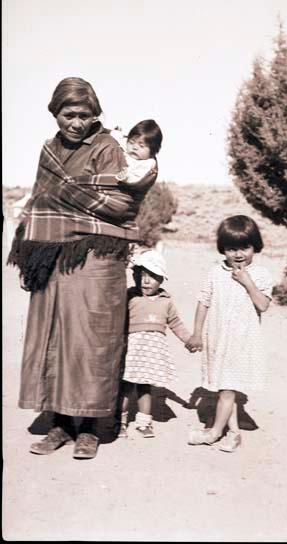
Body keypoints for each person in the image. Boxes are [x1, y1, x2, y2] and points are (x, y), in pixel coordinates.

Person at [7, 77, 157, 459]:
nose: (75, 122)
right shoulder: (49, 151)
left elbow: (122, 202)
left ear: (96, 116)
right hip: (53, 258)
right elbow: (42, 199)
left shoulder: (108, 146)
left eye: (84, 115)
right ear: (55, 113)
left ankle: (90, 426)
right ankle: (59, 423)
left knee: (93, 342)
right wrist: (66, 201)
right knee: (55, 339)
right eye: (68, 114)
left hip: (97, 259)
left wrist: (66, 196)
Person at [185, 215, 273, 452]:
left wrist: (247, 282)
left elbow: (263, 305)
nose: (238, 254)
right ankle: (233, 434)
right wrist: (196, 333)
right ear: (223, 249)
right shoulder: (215, 272)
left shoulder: (261, 274)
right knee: (227, 386)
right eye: (232, 248)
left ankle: (213, 432)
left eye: (245, 247)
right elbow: (203, 302)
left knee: (226, 388)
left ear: (255, 246)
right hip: (216, 338)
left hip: (241, 341)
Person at [119, 249, 190, 439]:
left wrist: (188, 340)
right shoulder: (130, 296)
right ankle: (120, 423)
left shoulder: (166, 301)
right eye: (142, 275)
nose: (146, 281)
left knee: (145, 387)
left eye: (152, 276)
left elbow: (175, 322)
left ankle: (144, 423)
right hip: (131, 351)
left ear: (162, 279)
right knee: (125, 386)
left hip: (151, 353)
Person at [110, 119, 162, 185]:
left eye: (141, 146)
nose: (134, 147)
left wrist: (126, 177)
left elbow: (137, 179)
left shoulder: (147, 164)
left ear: (152, 151)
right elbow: (118, 138)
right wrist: (115, 132)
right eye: (131, 142)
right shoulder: (125, 144)